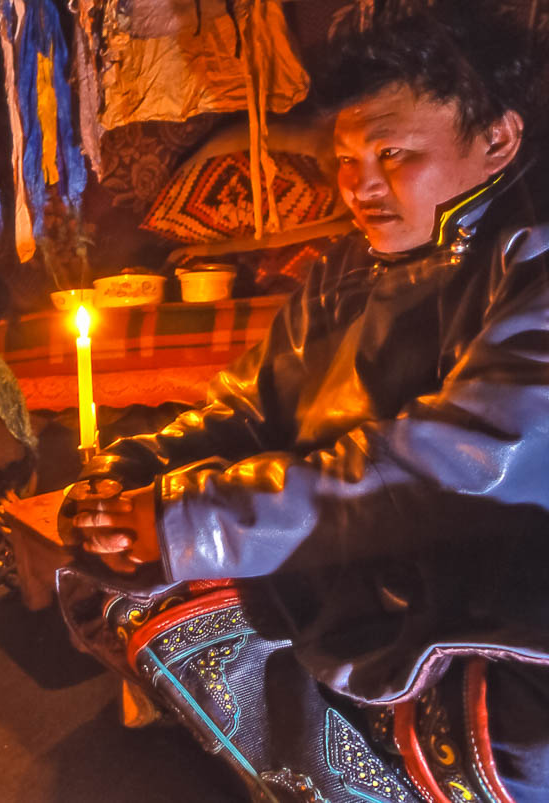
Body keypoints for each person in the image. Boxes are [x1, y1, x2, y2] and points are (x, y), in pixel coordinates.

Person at [60, 6, 549, 800]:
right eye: (347, 157)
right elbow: (245, 405)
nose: (358, 184)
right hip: (352, 564)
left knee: (502, 731)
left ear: (497, 139)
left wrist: (194, 520)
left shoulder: (533, 261)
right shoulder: (344, 272)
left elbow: (457, 464)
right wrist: (134, 471)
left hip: (491, 609)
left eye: (392, 153)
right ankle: (323, 768)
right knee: (116, 579)